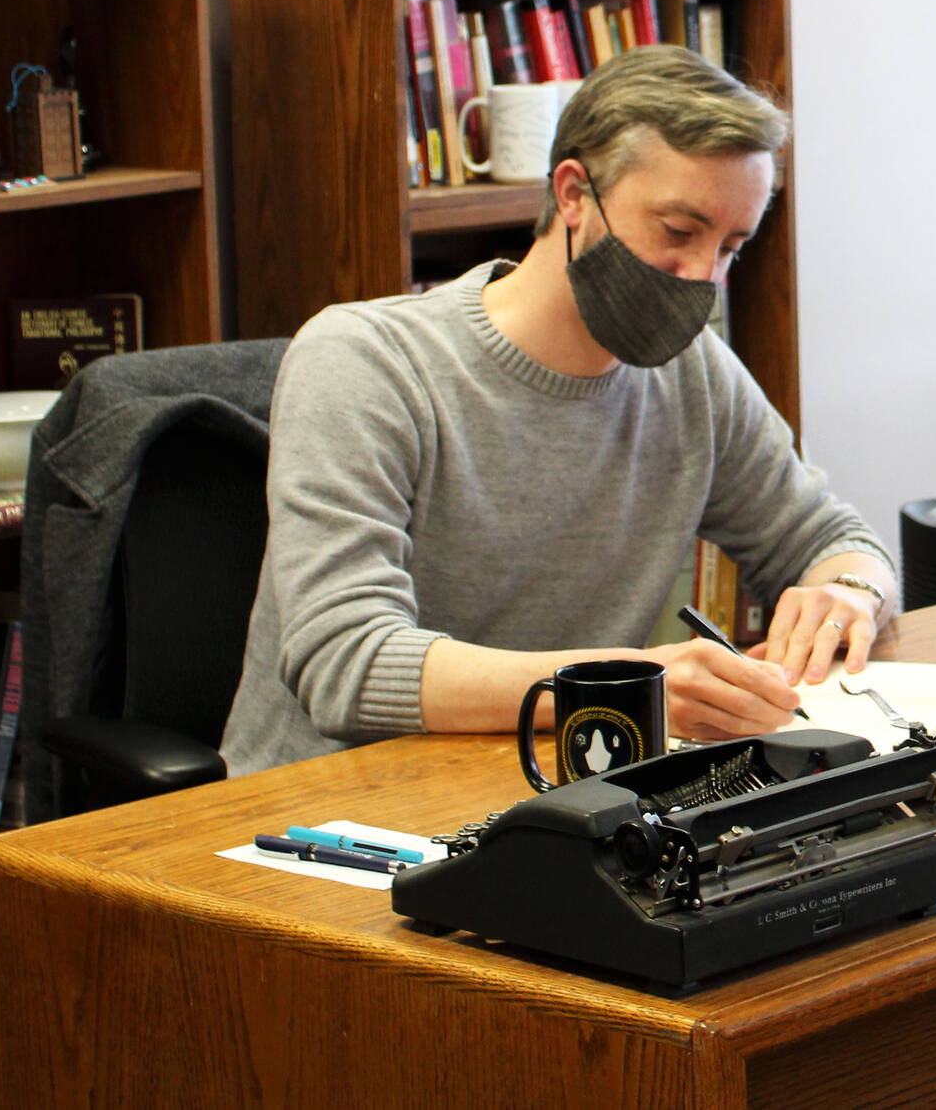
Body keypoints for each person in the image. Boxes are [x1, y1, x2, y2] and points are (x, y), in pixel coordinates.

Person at [220, 46, 896, 776]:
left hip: (555, 787)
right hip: (316, 815)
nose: (705, 277)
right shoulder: (366, 362)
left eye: (731, 247)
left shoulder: (691, 372)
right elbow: (346, 660)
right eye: (678, 230)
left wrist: (848, 594)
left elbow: (832, 535)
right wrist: (634, 685)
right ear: (573, 193)